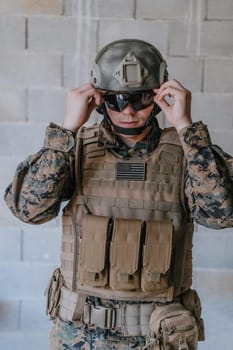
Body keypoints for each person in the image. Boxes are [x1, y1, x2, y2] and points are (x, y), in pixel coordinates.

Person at [4, 39, 233, 350]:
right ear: (99, 99)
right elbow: (28, 210)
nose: (128, 111)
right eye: (117, 100)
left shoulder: (189, 153)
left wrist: (186, 128)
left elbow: (222, 216)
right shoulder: (74, 149)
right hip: (81, 335)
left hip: (159, 335)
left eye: (140, 99)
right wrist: (67, 130)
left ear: (160, 97)